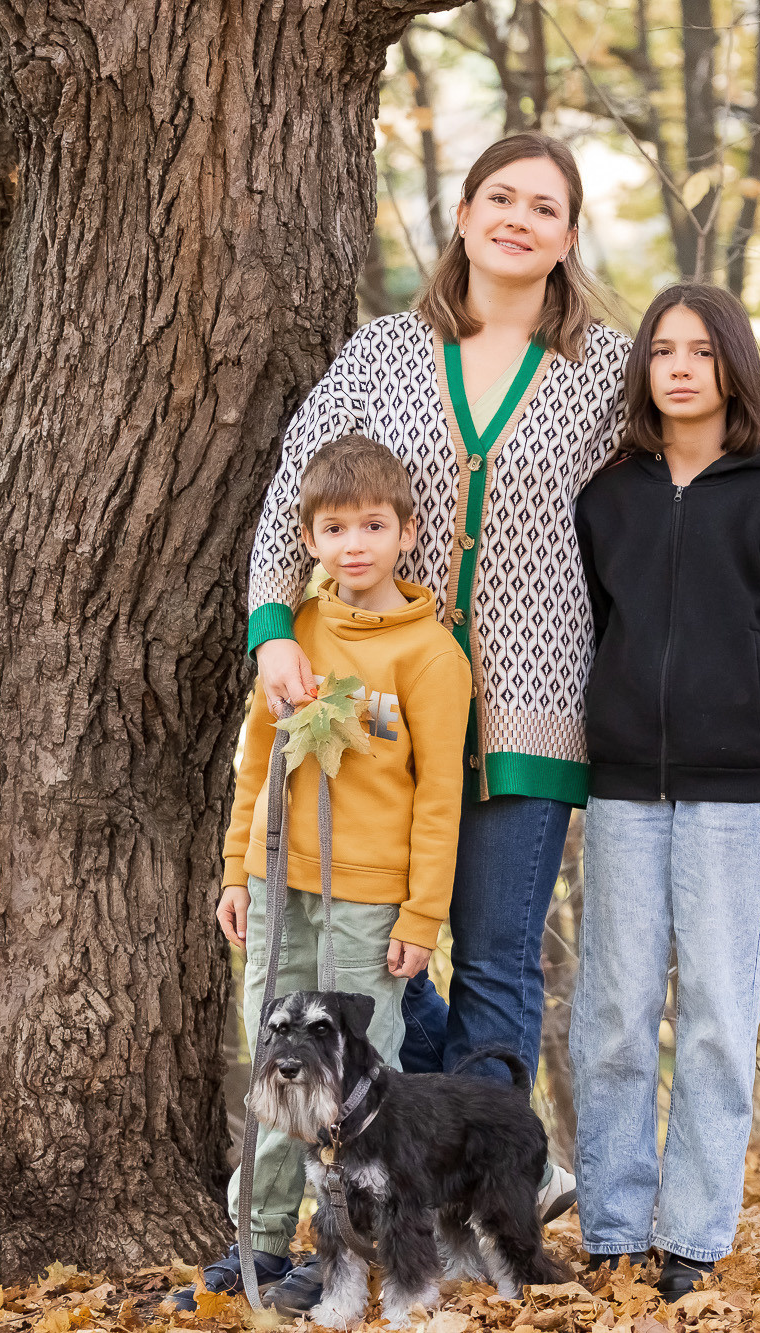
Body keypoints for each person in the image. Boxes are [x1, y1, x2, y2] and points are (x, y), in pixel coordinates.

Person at [243, 131, 760, 1302]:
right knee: (378, 945)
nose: (518, 219)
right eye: (498, 198)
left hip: (535, 705)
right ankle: (404, 1175)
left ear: (568, 238)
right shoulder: (380, 355)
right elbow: (289, 486)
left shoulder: (601, 368)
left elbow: (718, 484)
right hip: (378, 712)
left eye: (545, 207)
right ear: (462, 216)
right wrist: (274, 625)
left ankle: (491, 1210)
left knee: (502, 962)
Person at [569, 284, 760, 1301]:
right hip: (625, 783)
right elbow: (592, 624)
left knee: (719, 1011)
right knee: (617, 1012)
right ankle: (613, 1225)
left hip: (735, 790)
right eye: (662, 351)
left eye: (700, 352)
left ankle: (692, 1239)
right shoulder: (606, 499)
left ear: (732, 368)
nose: (679, 367)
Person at [172, 436, 473, 1313]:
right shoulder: (295, 635)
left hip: (373, 897)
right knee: (276, 1061)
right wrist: (236, 867)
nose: (354, 544)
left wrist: (423, 915)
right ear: (307, 538)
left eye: (373, 525)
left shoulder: (432, 655)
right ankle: (256, 1236)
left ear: (407, 532)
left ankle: (328, 1244)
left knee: (344, 1085)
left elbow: (440, 798)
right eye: (334, 527)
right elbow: (254, 760)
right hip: (277, 882)